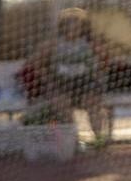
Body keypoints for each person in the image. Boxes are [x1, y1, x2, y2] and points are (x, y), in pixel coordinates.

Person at [18, 8, 108, 144]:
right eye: (69, 24)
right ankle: (73, 140)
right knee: (62, 105)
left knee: (92, 103)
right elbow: (34, 63)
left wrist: (96, 70)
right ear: (63, 26)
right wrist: (47, 79)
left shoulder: (90, 43)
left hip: (85, 83)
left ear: (83, 26)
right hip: (61, 83)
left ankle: (99, 140)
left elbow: (104, 61)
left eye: (77, 24)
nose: (73, 27)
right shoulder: (53, 44)